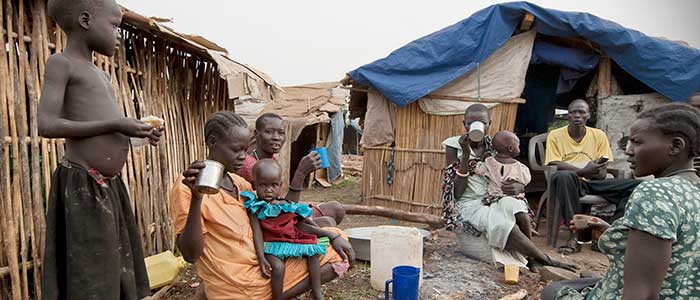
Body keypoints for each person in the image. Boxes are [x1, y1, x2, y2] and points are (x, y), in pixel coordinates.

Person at [38, 0, 164, 298]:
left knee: (115, 271)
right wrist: (115, 124)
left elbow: (106, 131)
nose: (118, 35)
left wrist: (140, 135)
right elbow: (47, 125)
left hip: (109, 187)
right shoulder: (62, 64)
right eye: (114, 26)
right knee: (91, 275)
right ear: (85, 20)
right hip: (83, 184)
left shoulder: (102, 75)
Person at [172, 111, 355, 300]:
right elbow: (191, 255)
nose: (243, 157)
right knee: (337, 254)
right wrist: (196, 198)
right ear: (212, 142)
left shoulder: (239, 184)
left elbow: (281, 216)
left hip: (261, 269)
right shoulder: (187, 187)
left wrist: (331, 235)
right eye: (236, 150)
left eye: (245, 150)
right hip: (236, 286)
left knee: (337, 237)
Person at [541, 103, 700, 300]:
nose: (628, 150)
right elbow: (673, 249)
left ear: (676, 146)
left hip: (596, 181)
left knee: (552, 291)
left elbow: (641, 294)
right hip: (573, 179)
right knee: (563, 177)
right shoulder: (694, 191)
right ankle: (587, 264)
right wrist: (610, 229)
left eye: (637, 142)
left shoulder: (654, 193)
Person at [443, 104, 575, 271]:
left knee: (520, 211)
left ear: (489, 124)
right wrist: (466, 156)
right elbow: (456, 193)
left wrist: (518, 187)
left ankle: (530, 257)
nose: (476, 126)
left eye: (482, 122)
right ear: (464, 124)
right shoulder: (454, 146)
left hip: (495, 198)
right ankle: (546, 259)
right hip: (469, 204)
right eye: (471, 123)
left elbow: (514, 173)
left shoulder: (497, 144)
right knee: (506, 226)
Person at [546, 99, 641, 253]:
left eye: (581, 112)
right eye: (573, 112)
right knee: (564, 176)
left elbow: (603, 167)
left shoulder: (598, 135)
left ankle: (607, 235)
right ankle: (576, 236)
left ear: (588, 115)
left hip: (592, 182)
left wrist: (597, 171)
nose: (577, 115)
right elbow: (554, 164)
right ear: (567, 116)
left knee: (637, 186)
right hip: (570, 182)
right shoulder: (555, 135)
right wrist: (584, 170)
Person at [245, 159, 348, 300]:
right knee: (278, 268)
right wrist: (261, 257)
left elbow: (300, 222)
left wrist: (323, 232)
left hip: (291, 240)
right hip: (271, 245)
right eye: (263, 185)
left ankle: (317, 293)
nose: (269, 189)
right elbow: (257, 233)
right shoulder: (256, 208)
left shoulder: (285, 204)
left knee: (313, 253)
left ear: (280, 186)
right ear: (254, 185)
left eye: (273, 185)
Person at [237, 113, 346, 227]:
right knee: (328, 220)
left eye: (281, 133)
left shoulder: (270, 159)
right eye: (269, 132)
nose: (276, 137)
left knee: (335, 208)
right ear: (256, 134)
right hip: (272, 222)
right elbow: (280, 210)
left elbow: (280, 200)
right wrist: (300, 173)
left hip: (281, 211)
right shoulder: (251, 166)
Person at [479, 131, 531, 205]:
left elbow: (479, 169)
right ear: (510, 148)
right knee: (520, 212)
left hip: (493, 198)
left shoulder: (488, 162)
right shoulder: (519, 168)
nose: (519, 148)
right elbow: (526, 179)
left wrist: (481, 160)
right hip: (513, 198)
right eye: (518, 146)